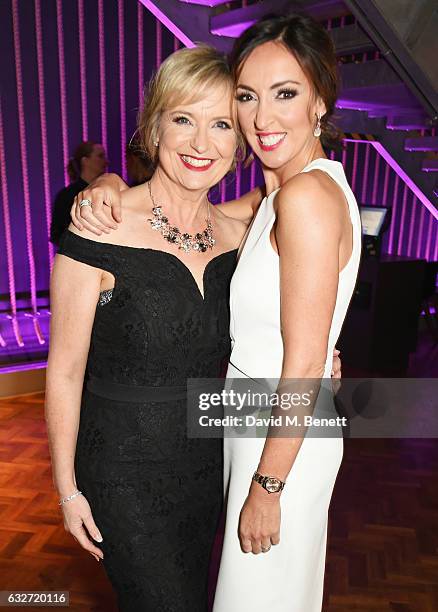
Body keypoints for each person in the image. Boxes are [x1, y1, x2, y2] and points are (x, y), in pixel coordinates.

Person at [69, 17, 348, 611]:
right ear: (156, 125)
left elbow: (299, 352)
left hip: (248, 449)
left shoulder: (278, 207)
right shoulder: (274, 198)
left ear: (320, 100)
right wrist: (108, 184)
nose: (260, 118)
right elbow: (66, 371)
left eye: (286, 93)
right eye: (247, 97)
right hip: (171, 452)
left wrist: (272, 476)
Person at [45, 46, 247, 611]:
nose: (201, 143)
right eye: (183, 118)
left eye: (222, 124)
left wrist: (320, 367)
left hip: (207, 467)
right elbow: (63, 372)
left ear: (240, 142)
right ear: (154, 128)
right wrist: (67, 490)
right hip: (120, 472)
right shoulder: (97, 229)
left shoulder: (241, 237)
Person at [50, 141, 108, 245]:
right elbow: (56, 234)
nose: (106, 161)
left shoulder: (108, 191)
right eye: (100, 156)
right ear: (85, 161)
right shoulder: (67, 195)